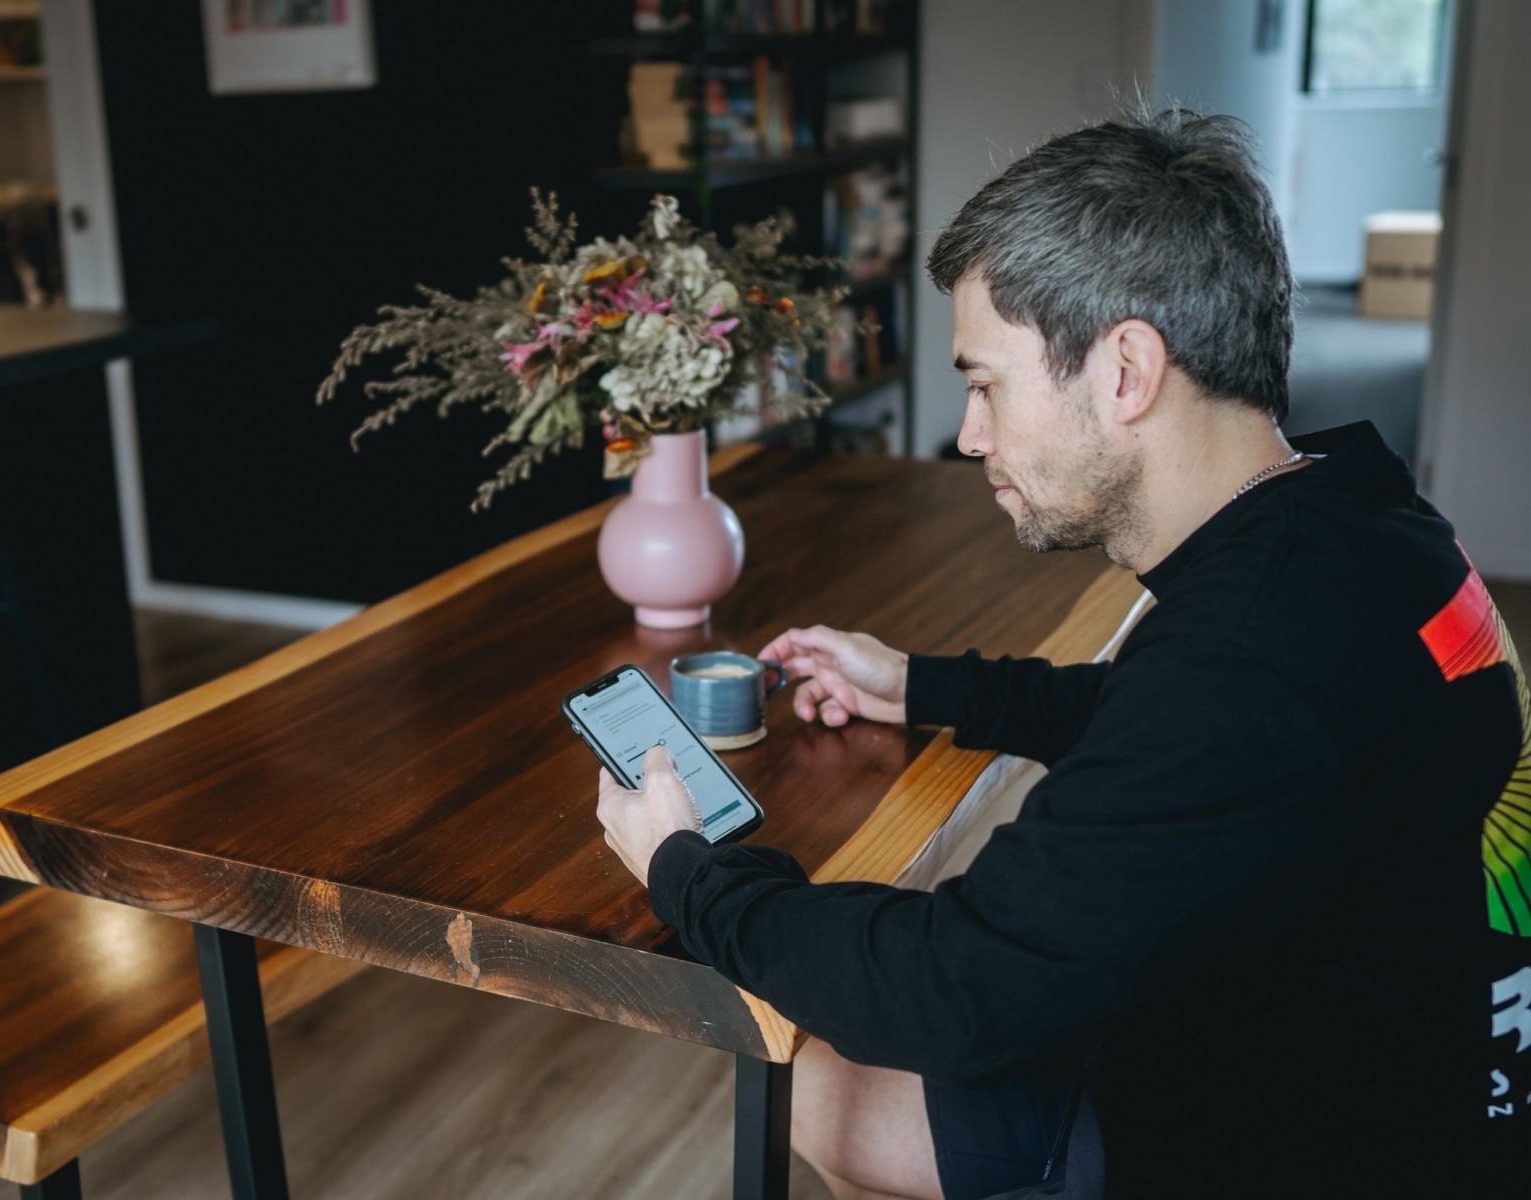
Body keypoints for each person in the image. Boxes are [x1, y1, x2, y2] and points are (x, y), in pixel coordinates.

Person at [595, 103, 1525, 1198]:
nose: (969, 434)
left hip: (1301, 1143)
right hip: (1428, 1079)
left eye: (986, 381)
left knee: (833, 1077)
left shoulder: (1243, 666)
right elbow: (1171, 731)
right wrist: (927, 685)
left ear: (1125, 369)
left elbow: (956, 994)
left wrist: (689, 871)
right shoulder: (1363, 527)